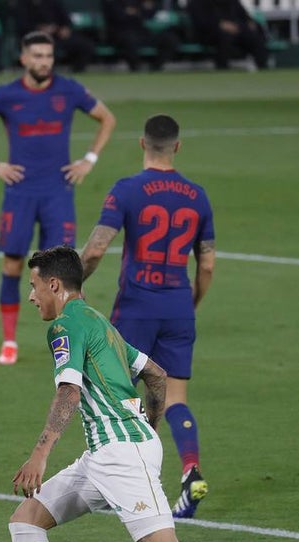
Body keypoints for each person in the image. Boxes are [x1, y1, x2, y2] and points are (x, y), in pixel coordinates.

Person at [0, 245, 273, 542]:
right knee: (26, 520)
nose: (32, 297)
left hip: (121, 455)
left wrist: (40, 453)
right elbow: (157, 375)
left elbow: (68, 393)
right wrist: (150, 426)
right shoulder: (101, 324)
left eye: (33, 287)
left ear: (54, 285)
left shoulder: (66, 327)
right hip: (107, 454)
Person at [79, 114, 213, 519]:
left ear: (142, 144)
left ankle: (116, 484)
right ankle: (191, 472)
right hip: (177, 306)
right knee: (174, 398)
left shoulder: (127, 190)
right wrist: (189, 305)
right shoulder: (197, 195)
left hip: (136, 306)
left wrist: (74, 284)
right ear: (178, 146)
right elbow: (206, 266)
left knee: (114, 395)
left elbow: (97, 248)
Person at [0, 31, 116, 366]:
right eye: (37, 56)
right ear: (24, 59)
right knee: (13, 264)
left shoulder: (69, 90)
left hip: (58, 191)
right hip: (20, 192)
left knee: (65, 270)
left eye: (48, 56)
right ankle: (10, 342)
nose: (44, 62)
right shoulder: (6, 94)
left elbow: (107, 119)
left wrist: (89, 160)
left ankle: (73, 340)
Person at [11, 0, 94, 73]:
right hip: (36, 38)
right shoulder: (22, 4)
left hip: (57, 36)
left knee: (85, 45)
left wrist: (65, 29)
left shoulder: (53, 2)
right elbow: (22, 26)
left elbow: (67, 20)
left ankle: (77, 70)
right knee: (47, 49)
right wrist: (40, 29)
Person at [187, 0, 270, 71]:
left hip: (237, 30)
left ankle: (263, 67)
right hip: (210, 33)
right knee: (224, 38)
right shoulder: (197, 2)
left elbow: (243, 15)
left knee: (254, 37)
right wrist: (220, 25)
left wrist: (250, 22)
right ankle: (222, 68)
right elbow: (200, 22)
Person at [102, 0, 180, 72]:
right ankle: (136, 68)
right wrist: (135, 12)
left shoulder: (139, 2)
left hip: (142, 33)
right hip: (122, 34)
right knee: (130, 40)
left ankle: (156, 67)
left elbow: (148, 14)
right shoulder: (112, 2)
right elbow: (119, 16)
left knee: (170, 39)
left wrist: (135, 12)